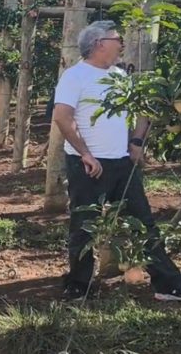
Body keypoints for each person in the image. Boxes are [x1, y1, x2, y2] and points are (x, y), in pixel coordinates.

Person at [52, 20, 181, 301]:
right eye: (116, 39)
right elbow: (63, 117)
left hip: (122, 162)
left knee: (143, 222)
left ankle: (167, 284)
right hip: (88, 164)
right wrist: (85, 153)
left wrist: (135, 142)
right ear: (99, 44)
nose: (121, 44)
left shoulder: (120, 77)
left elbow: (142, 111)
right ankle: (79, 285)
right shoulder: (75, 76)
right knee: (84, 224)